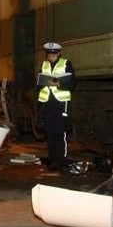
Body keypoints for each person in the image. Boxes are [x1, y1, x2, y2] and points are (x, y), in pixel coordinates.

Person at [37, 42, 76, 173]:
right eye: (49, 54)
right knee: (50, 133)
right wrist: (42, 83)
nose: (51, 56)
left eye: (54, 54)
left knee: (60, 133)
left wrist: (59, 84)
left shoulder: (66, 64)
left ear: (59, 54)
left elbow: (72, 83)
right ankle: (53, 160)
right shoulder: (44, 65)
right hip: (48, 103)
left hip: (61, 102)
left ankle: (61, 160)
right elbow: (39, 83)